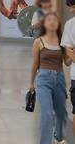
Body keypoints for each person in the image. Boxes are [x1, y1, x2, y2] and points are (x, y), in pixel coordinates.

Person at [29, 12, 70, 144]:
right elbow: (35, 64)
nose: (52, 22)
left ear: (58, 24)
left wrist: (70, 54)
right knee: (47, 114)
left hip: (59, 79)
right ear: (44, 24)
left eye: (55, 20)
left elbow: (67, 62)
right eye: (49, 20)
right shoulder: (38, 42)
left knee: (61, 113)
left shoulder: (63, 42)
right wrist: (31, 83)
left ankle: (59, 137)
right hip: (44, 79)